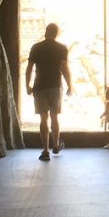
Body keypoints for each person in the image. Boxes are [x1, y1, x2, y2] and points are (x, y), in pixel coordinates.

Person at [24, 23, 73, 161]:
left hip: (39, 86)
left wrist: (27, 85)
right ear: (56, 34)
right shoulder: (62, 48)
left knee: (43, 118)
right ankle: (56, 145)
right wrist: (70, 85)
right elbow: (64, 68)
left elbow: (29, 68)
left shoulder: (36, 47)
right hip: (55, 86)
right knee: (54, 116)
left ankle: (45, 150)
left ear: (46, 32)